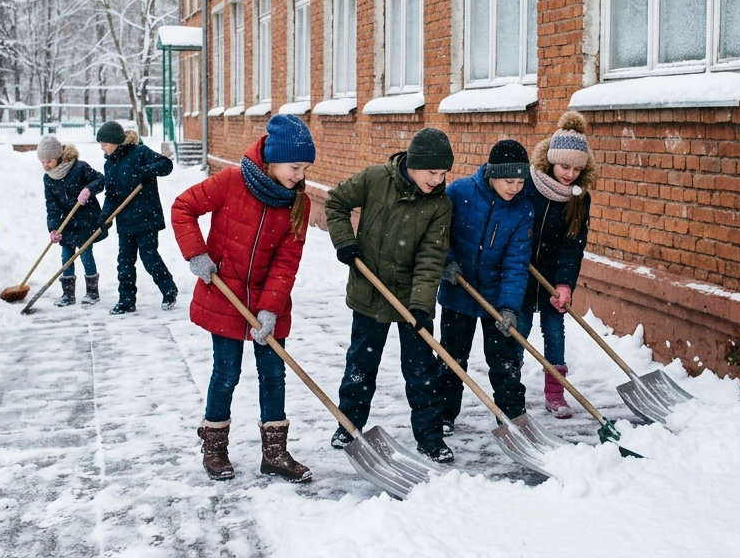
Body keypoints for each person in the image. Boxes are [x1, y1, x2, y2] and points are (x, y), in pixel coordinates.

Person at [171, 115, 317, 483]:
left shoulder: (297, 203)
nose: (300, 175)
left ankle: (275, 454)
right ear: (272, 160)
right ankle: (215, 448)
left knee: (273, 375)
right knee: (226, 374)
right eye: (295, 167)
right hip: (225, 295)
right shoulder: (232, 181)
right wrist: (196, 253)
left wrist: (269, 307)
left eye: (304, 168)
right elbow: (182, 207)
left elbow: (287, 261)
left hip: (270, 302)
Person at [326, 127, 456, 463]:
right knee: (361, 364)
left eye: (443, 174)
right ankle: (348, 425)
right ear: (413, 165)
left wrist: (422, 307)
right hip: (369, 291)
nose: (437, 180)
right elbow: (336, 201)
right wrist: (345, 241)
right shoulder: (374, 179)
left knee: (422, 371)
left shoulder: (440, 205)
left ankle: (430, 437)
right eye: (432, 172)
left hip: (412, 299)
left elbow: (431, 258)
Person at [436, 139, 534, 436]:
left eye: (520, 181)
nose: (514, 188)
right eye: (508, 180)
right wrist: (446, 261)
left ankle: (512, 415)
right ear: (492, 174)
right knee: (452, 359)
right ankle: (443, 413)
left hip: (495, 298)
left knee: (505, 362)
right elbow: (438, 233)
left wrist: (508, 307)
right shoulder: (459, 192)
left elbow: (516, 263)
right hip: (458, 291)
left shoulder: (522, 211)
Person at [518, 111, 594, 418]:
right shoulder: (527, 185)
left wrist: (564, 284)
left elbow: (573, 244)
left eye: (577, 168)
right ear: (550, 160)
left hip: (551, 276)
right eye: (564, 166)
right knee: (518, 331)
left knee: (554, 331)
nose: (570, 174)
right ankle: (509, 387)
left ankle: (555, 393)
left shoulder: (579, 197)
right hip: (520, 271)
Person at [96, 121, 178, 315]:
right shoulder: (110, 164)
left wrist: (146, 171)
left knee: (149, 258)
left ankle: (168, 290)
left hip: (146, 218)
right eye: (100, 143)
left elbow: (166, 165)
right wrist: (104, 217)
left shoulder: (140, 153)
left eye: (105, 143)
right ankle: (126, 301)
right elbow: (111, 195)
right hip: (125, 222)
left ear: (116, 142)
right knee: (124, 262)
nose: (102, 147)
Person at [37, 135, 106, 306]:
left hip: (86, 219)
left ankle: (92, 293)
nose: (46, 165)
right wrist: (53, 228)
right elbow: (51, 205)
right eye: (43, 162)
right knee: (66, 255)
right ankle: (68, 294)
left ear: (59, 157)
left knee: (85, 254)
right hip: (65, 222)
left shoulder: (79, 167)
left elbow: (101, 180)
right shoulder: (48, 178)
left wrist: (88, 190)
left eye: (49, 161)